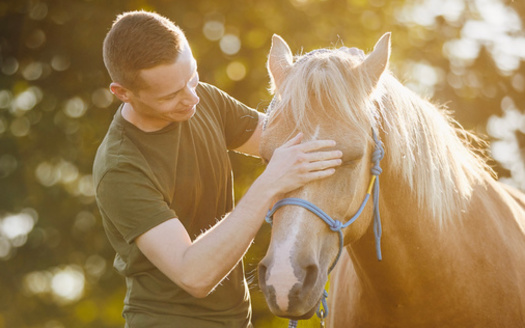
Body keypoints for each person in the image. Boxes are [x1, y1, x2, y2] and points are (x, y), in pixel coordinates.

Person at [93, 10, 342, 328]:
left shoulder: (201, 100)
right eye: (172, 95)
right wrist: (268, 186)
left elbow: (289, 144)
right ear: (122, 93)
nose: (192, 97)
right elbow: (194, 275)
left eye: (193, 78)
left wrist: (343, 85)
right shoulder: (121, 169)